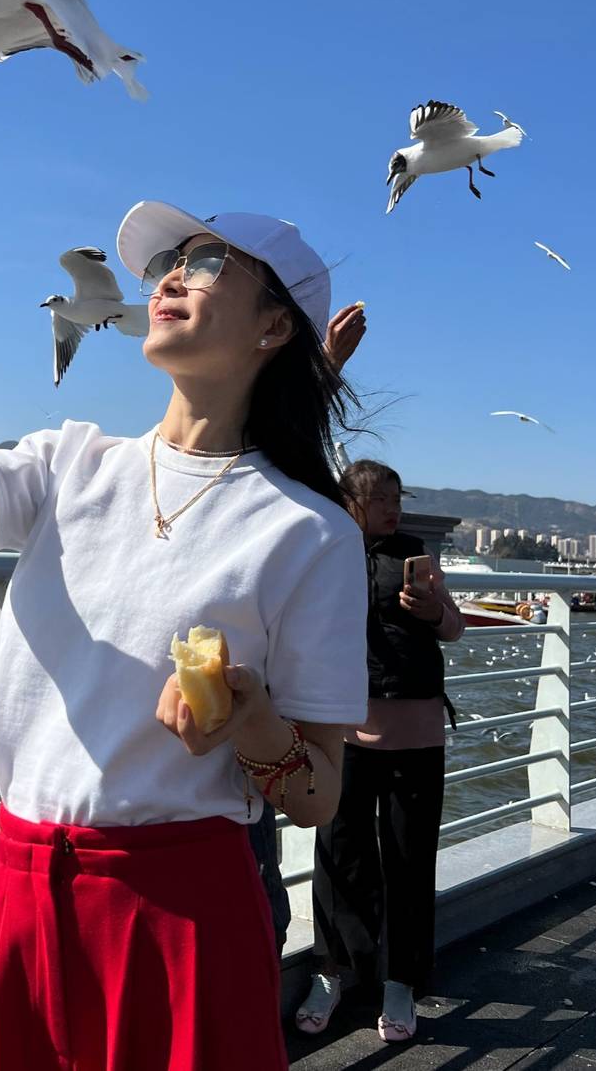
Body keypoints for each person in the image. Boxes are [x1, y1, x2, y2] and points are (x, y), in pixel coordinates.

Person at [0, 154, 369, 1071]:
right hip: (18, 888)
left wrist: (247, 715)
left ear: (277, 327)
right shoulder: (69, 463)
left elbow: (316, 794)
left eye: (211, 263)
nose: (173, 277)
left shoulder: (310, 532)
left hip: (182, 910)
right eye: (169, 263)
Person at [296, 459, 464, 1044]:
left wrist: (433, 610)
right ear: (350, 503)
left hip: (416, 727)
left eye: (398, 495)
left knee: (409, 856)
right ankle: (333, 971)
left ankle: (401, 982)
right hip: (341, 728)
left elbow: (455, 627)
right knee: (339, 852)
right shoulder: (323, 547)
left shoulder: (415, 552)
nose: (394, 507)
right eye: (381, 498)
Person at [246, 302, 369, 956]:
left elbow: (268, 453)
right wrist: (323, 367)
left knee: (254, 893)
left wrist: (324, 367)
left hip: (242, 766)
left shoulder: (309, 527)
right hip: (218, 786)